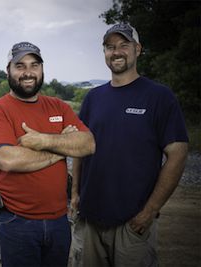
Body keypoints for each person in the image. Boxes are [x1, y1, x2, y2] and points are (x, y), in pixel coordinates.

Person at [71, 23, 189, 267]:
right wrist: (74, 194)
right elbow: (80, 147)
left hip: (132, 223)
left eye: (124, 45)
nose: (116, 52)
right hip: (90, 220)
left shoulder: (159, 96)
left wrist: (150, 211)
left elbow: (177, 154)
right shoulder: (94, 97)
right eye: (110, 47)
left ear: (138, 49)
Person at [0, 41, 96, 267]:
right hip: (16, 221)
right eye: (20, 66)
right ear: (9, 70)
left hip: (59, 221)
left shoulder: (58, 106)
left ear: (42, 69)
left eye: (34, 65)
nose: (28, 73)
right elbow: (8, 159)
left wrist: (42, 140)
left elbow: (88, 143)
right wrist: (62, 148)